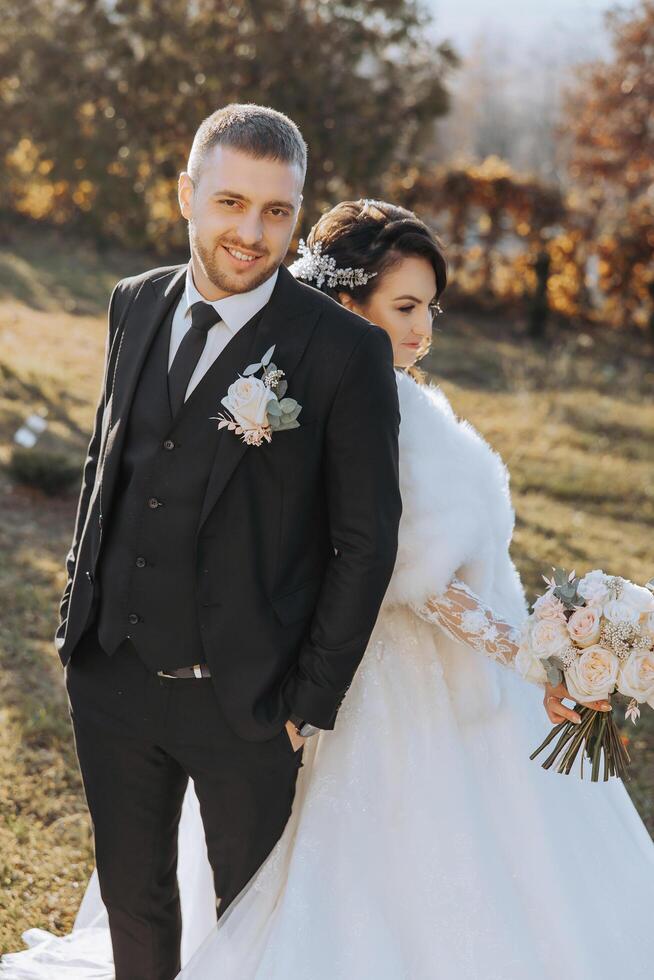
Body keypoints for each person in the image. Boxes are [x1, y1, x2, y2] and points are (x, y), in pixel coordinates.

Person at [4, 200, 654, 979]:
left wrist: (562, 637)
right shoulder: (374, 407)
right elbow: (425, 583)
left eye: (430, 309)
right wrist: (542, 657)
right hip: (370, 679)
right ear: (347, 305)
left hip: (431, 687)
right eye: (404, 307)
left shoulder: (410, 400)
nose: (424, 331)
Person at [0, 110, 402, 980]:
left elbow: (365, 544)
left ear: (297, 214)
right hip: (111, 678)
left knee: (253, 930)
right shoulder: (134, 303)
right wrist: (78, 614)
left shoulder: (343, 353)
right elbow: (106, 460)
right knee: (136, 909)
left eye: (276, 212)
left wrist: (307, 702)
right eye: (229, 202)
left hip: (249, 707)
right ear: (186, 196)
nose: (251, 233)